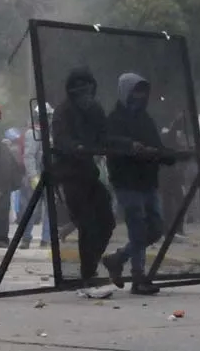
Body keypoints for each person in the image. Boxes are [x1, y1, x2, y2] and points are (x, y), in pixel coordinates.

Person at [101, 73, 175, 296]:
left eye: (143, 91)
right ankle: (138, 277)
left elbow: (156, 146)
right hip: (127, 182)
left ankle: (118, 258)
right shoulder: (114, 119)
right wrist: (131, 146)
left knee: (155, 229)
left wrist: (164, 155)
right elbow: (108, 141)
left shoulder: (145, 119)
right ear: (125, 92)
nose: (139, 96)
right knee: (138, 229)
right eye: (135, 91)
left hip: (148, 181)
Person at [49, 67, 116, 282]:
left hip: (89, 173)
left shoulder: (95, 110)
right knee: (86, 224)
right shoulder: (63, 111)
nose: (85, 97)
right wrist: (76, 147)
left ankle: (92, 263)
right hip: (70, 174)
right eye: (80, 93)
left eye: (89, 91)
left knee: (107, 221)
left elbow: (106, 135)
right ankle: (88, 273)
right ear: (73, 93)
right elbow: (60, 139)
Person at [20, 105, 53, 249]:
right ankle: (26, 238)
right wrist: (33, 176)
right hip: (37, 176)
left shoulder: (51, 133)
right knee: (31, 209)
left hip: (50, 175)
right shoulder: (33, 133)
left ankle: (46, 239)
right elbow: (29, 157)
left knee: (50, 210)